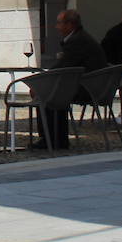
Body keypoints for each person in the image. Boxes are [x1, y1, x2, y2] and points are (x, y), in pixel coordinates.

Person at [40, 9, 108, 149]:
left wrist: (42, 80)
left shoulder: (77, 41)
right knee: (56, 92)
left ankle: (50, 139)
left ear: (70, 25)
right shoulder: (80, 37)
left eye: (59, 23)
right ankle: (57, 139)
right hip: (96, 85)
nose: (56, 27)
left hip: (89, 88)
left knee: (46, 93)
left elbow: (64, 67)